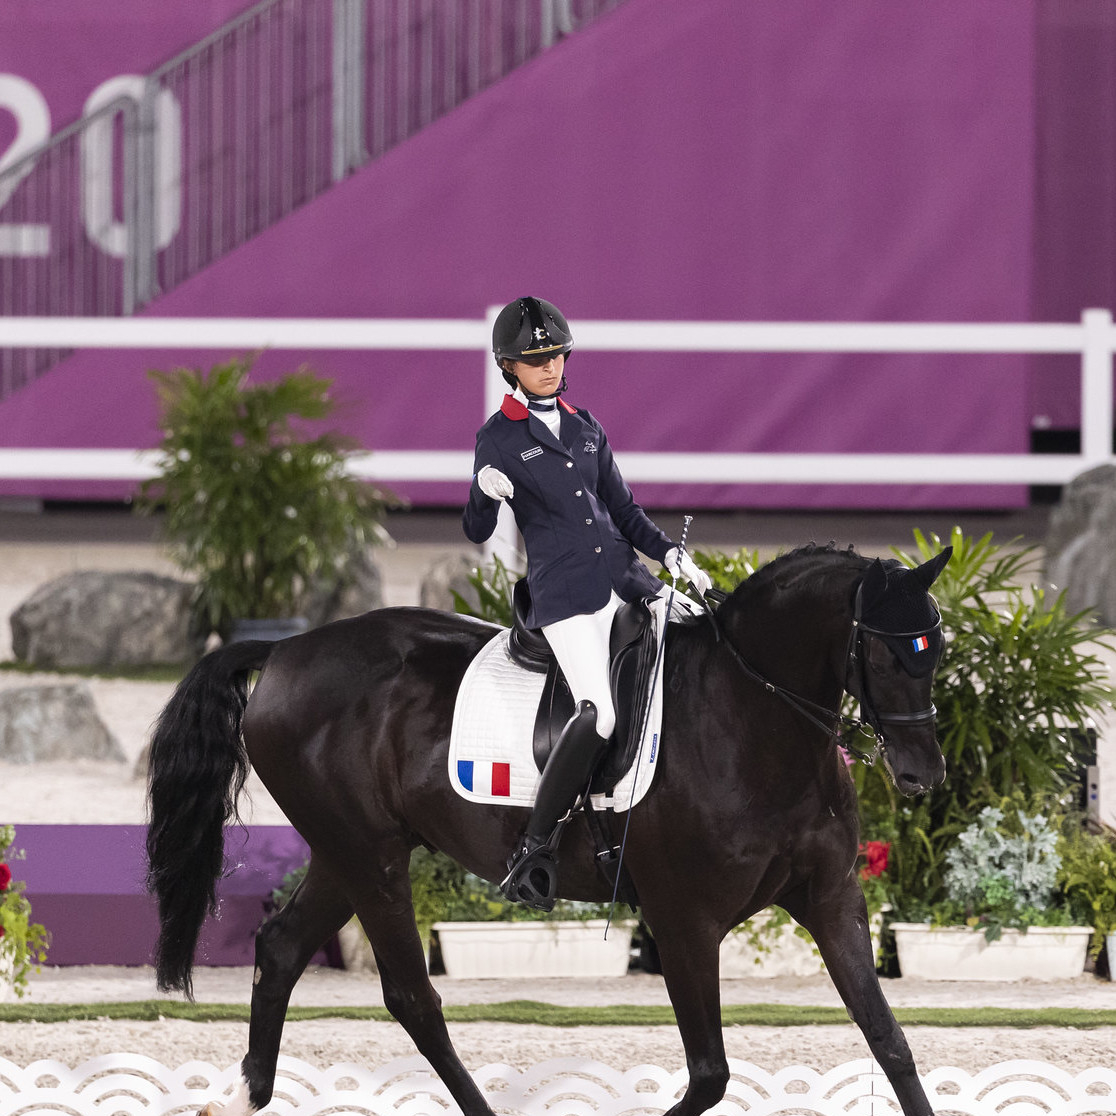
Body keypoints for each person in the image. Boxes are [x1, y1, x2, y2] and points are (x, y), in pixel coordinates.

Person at [463, 295, 712, 910]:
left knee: (706, 647)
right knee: (597, 713)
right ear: (509, 367)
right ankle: (535, 847)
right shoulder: (497, 439)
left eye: (554, 355)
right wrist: (483, 493)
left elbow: (623, 511)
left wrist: (670, 557)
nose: (548, 367)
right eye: (533, 359)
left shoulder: (585, 425)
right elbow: (473, 530)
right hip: (567, 597)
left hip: (628, 581)